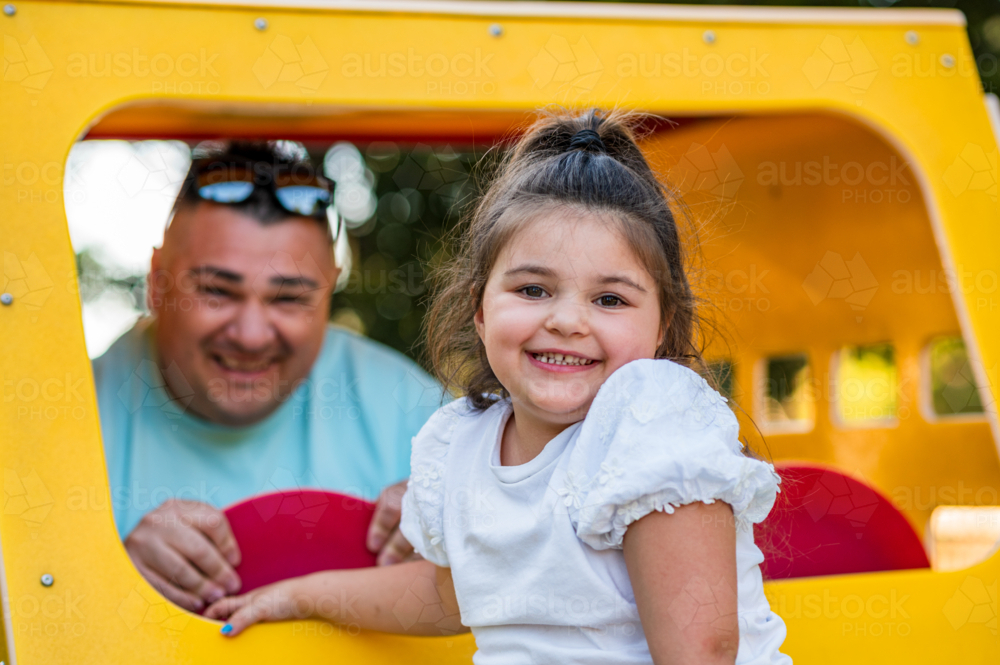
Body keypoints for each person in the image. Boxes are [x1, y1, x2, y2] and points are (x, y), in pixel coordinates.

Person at [205, 110, 791, 664]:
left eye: (609, 299)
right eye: (533, 290)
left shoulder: (648, 420)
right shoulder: (459, 442)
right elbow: (450, 597)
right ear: (480, 310)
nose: (566, 320)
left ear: (661, 327)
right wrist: (300, 595)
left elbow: (701, 652)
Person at [92, 141, 443, 613]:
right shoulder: (66, 421)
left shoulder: (417, 412)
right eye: (217, 291)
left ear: (329, 292)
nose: (252, 335)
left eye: (289, 298)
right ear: (157, 282)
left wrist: (456, 544)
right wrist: (105, 582)